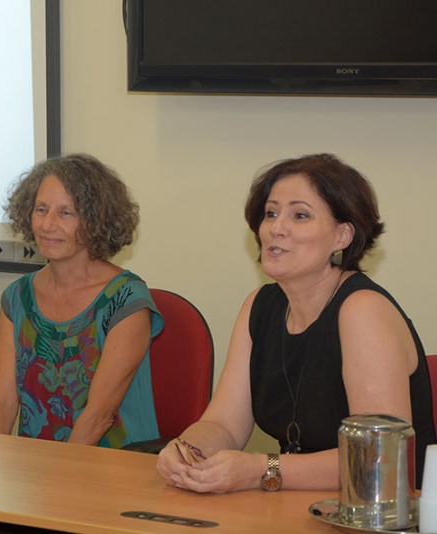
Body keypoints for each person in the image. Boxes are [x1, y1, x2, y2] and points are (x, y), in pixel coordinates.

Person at [156, 153, 435, 492]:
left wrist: (262, 468)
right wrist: (187, 450)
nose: (276, 228)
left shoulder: (363, 310)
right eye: (271, 213)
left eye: (300, 215)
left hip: (381, 513)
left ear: (342, 236)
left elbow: (376, 458)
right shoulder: (259, 306)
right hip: (297, 504)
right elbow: (223, 424)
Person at [0, 153, 164, 447]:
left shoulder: (126, 300)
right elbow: (2, 400)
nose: (47, 224)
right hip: (31, 473)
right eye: (41, 209)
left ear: (95, 221)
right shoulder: (17, 297)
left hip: (111, 472)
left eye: (66, 213)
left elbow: (99, 416)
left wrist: (54, 484)